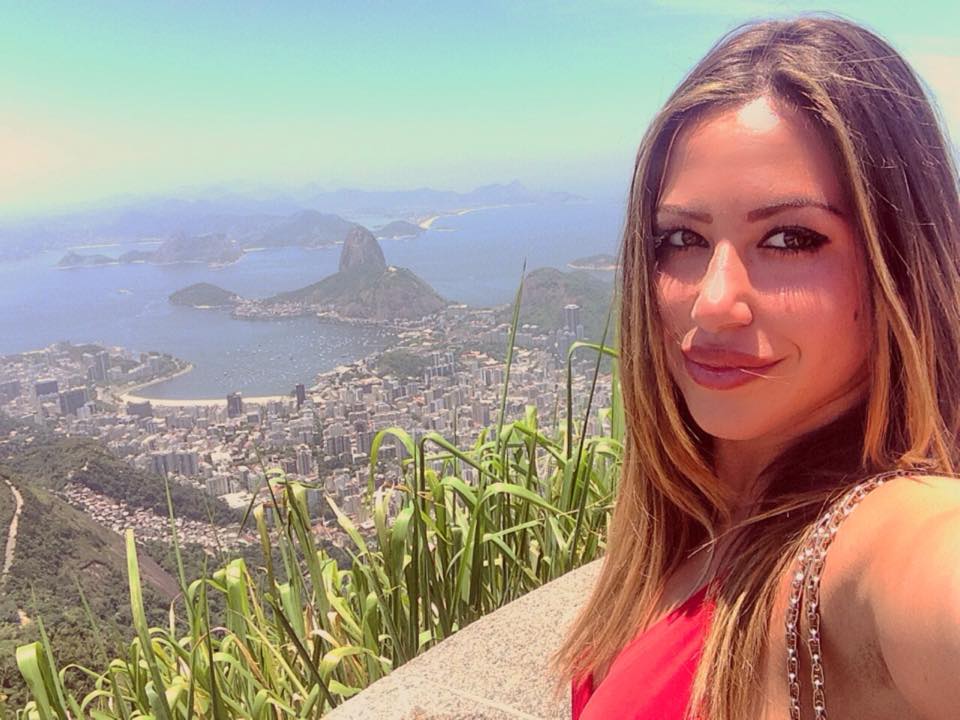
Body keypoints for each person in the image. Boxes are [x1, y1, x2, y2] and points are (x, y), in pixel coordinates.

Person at [549, 14, 960, 720]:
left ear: (899, 265)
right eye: (682, 239)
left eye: (790, 238)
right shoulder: (692, 523)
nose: (713, 303)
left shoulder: (880, 544)